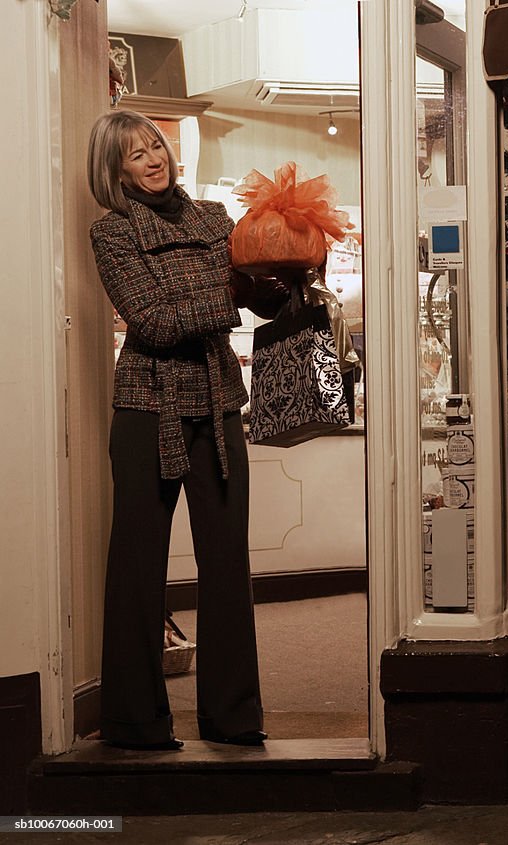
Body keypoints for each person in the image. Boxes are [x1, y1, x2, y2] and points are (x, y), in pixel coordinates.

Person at [87, 110, 266, 749]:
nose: (153, 159)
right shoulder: (110, 232)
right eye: (135, 155)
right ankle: (135, 721)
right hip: (146, 410)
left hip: (218, 403)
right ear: (115, 171)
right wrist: (234, 298)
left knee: (228, 562)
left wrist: (284, 276)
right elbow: (154, 323)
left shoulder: (216, 218)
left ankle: (233, 715)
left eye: (155, 145)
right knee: (139, 565)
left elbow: (254, 291)